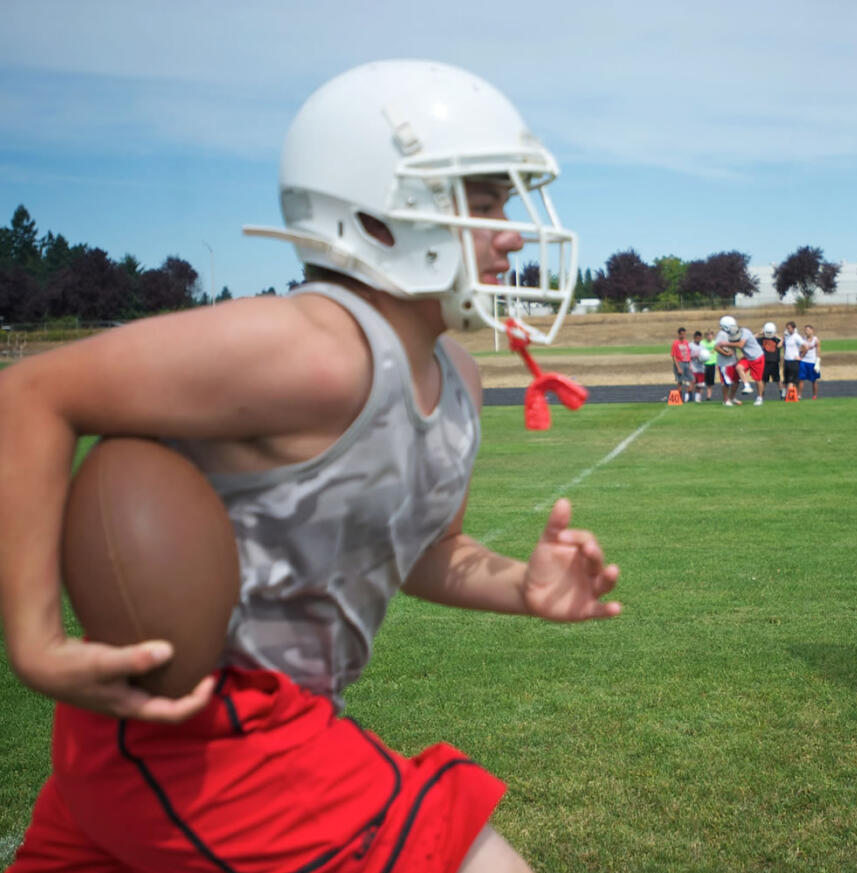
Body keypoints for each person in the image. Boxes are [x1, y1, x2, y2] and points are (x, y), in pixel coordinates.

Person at [0, 60, 621, 872]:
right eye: (482, 200)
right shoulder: (312, 349)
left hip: (236, 729)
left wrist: (521, 585)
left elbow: (427, 551)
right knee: (465, 852)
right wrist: (36, 639)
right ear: (377, 214)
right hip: (201, 728)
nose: (510, 231)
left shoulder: (459, 377)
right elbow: (31, 393)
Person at [716, 315, 765, 406]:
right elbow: (717, 347)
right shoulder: (724, 333)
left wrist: (726, 344)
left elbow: (741, 344)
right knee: (738, 368)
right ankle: (746, 386)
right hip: (746, 357)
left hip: (756, 357)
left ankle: (759, 398)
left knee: (758, 379)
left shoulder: (744, 332)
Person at [757, 322, 783, 399]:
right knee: (763, 380)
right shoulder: (761, 339)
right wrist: (759, 333)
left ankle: (782, 394)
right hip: (764, 362)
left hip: (774, 362)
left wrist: (776, 335)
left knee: (777, 380)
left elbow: (782, 342)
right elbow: (751, 339)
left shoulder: (776, 340)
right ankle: (761, 395)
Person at [670, 326, 693, 401]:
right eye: (682, 334)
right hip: (680, 363)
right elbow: (674, 356)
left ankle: (689, 397)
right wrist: (678, 367)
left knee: (690, 379)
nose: (683, 336)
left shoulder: (686, 342)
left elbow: (688, 354)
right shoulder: (675, 343)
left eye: (684, 334)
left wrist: (690, 364)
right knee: (680, 381)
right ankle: (679, 398)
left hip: (687, 363)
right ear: (679, 334)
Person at [798, 324, 821, 399]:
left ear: (812, 330)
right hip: (803, 361)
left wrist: (817, 364)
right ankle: (799, 395)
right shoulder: (802, 339)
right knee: (801, 379)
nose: (806, 332)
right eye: (805, 330)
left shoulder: (816, 340)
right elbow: (800, 349)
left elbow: (818, 352)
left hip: (812, 362)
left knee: (814, 380)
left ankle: (814, 395)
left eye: (808, 330)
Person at [781, 321, 802, 398]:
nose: (787, 329)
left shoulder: (797, 337)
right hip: (787, 360)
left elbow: (805, 346)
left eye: (789, 328)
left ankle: (790, 396)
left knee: (792, 380)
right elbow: (780, 346)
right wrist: (783, 337)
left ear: (793, 328)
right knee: (786, 379)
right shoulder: (787, 337)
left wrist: (801, 357)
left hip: (794, 361)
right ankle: (791, 395)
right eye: (787, 328)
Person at [688, 330, 708, 402]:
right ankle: (689, 398)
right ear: (694, 338)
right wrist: (693, 357)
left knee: (700, 384)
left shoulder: (703, 346)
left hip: (701, 368)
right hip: (693, 367)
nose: (698, 339)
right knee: (692, 383)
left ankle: (697, 399)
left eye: (699, 338)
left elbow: (706, 356)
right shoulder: (690, 345)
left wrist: (704, 358)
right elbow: (687, 356)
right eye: (697, 338)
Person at [700, 329, 719, 400]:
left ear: (712, 336)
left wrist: (717, 364)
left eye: (710, 335)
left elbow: (717, 353)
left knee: (710, 382)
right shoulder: (702, 343)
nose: (709, 337)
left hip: (712, 363)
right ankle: (699, 396)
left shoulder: (715, 343)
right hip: (704, 364)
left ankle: (708, 396)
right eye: (707, 335)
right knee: (701, 381)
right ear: (705, 336)